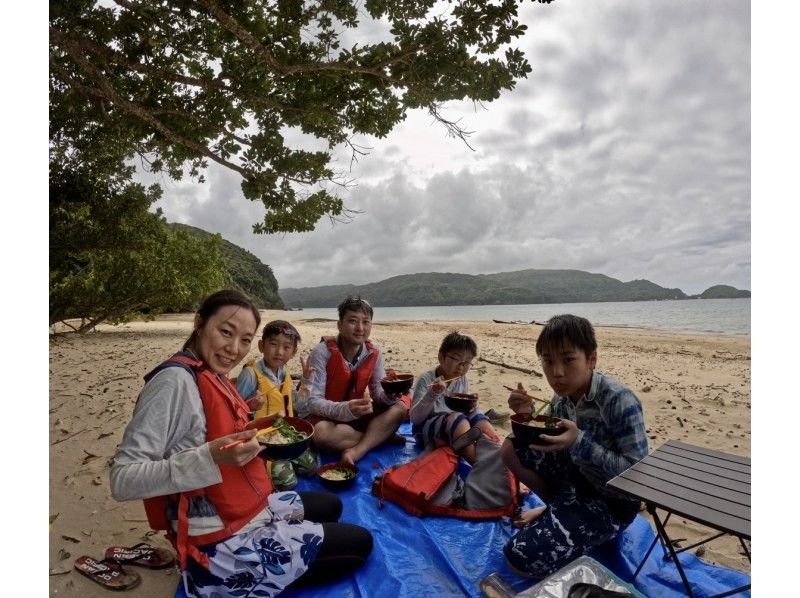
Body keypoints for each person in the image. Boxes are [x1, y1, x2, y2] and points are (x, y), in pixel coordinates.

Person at [110, 290, 372, 597]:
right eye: (225, 332)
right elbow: (122, 479)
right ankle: (223, 575)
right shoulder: (172, 383)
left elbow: (211, 428)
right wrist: (211, 458)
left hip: (241, 508)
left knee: (331, 505)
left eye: (245, 339)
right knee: (359, 543)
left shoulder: (211, 371)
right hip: (217, 542)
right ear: (199, 323)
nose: (234, 349)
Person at [500, 314, 648, 578]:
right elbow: (548, 437)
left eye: (568, 360)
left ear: (591, 359)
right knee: (512, 447)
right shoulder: (563, 395)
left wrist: (580, 441)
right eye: (548, 361)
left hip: (612, 501)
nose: (557, 372)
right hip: (577, 481)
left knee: (519, 557)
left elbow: (638, 474)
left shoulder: (618, 400)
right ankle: (555, 510)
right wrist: (526, 413)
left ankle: (565, 518)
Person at [305, 296, 410, 465]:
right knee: (320, 434)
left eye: (366, 322)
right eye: (353, 321)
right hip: (328, 418)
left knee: (399, 408)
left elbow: (378, 394)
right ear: (340, 325)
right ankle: (379, 437)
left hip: (357, 417)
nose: (360, 328)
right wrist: (345, 409)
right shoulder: (322, 352)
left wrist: (391, 394)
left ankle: (356, 451)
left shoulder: (373, 352)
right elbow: (313, 402)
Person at [236, 320, 318, 491]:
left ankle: (284, 465)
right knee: (289, 484)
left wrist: (307, 382)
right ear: (261, 346)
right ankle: (262, 471)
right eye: (273, 344)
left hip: (285, 437)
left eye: (287, 347)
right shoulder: (250, 375)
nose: (279, 352)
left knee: (311, 468)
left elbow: (295, 404)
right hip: (263, 444)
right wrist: (250, 406)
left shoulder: (285, 373)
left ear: (293, 352)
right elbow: (233, 412)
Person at [410, 331, 499, 462]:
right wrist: (432, 394)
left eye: (467, 362)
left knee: (479, 417)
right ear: (441, 357)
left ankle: (498, 455)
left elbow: (461, 409)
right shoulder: (426, 379)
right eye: (456, 359)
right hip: (424, 431)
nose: (461, 367)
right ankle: (479, 464)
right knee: (459, 419)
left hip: (453, 426)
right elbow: (415, 418)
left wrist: (471, 408)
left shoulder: (462, 380)